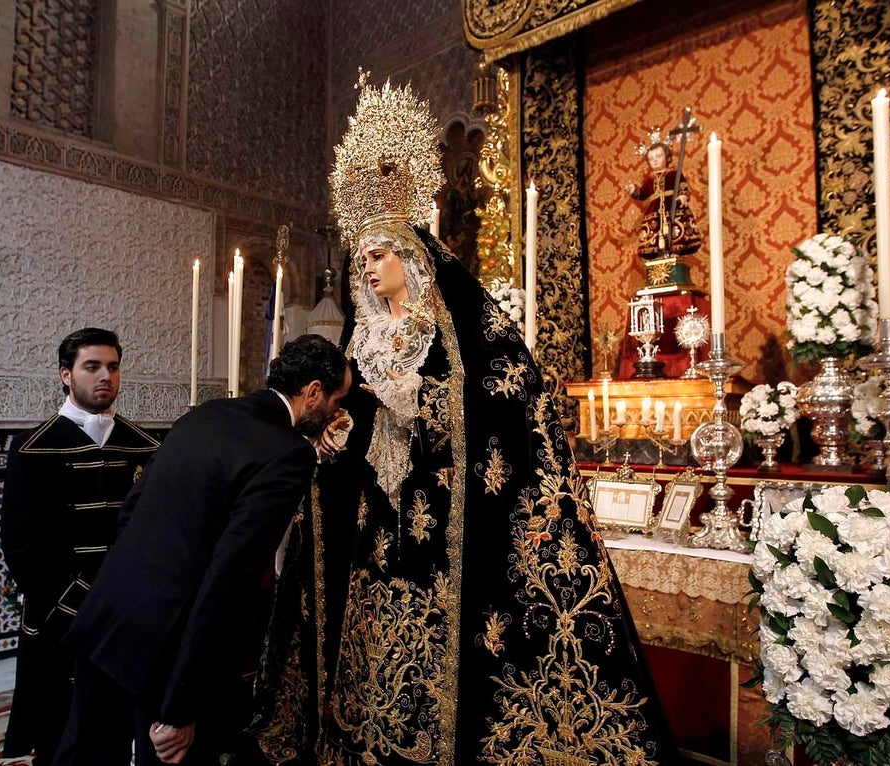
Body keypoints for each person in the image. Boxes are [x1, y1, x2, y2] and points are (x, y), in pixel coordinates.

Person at [253, 75, 677, 765]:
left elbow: (502, 401)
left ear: (413, 261)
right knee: (368, 648)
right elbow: (349, 419)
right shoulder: (356, 343)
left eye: (381, 252)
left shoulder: (457, 337)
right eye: (363, 255)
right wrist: (337, 435)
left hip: (441, 520)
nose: (368, 262)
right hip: (373, 526)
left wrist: (421, 410)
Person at [55, 334, 352, 766]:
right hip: (167, 649)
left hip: (108, 615)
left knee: (83, 754)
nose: (337, 414)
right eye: (337, 401)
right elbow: (229, 579)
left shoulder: (207, 414)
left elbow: (132, 510)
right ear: (312, 393)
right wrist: (180, 706)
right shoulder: (288, 454)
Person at [0, 327, 160, 766]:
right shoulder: (32, 447)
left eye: (112, 366)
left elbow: (153, 537)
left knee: (117, 731)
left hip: (127, 615)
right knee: (60, 736)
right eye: (91, 367)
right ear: (66, 376)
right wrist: (81, 606)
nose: (105, 375)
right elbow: (20, 546)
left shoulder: (145, 445)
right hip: (61, 618)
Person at [626, 138, 702, 259]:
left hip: (673, 206)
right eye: (651, 159)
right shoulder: (649, 180)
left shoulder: (674, 174)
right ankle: (661, 254)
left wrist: (683, 195)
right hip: (655, 211)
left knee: (675, 229)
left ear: (667, 157)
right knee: (655, 232)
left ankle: (675, 251)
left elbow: (682, 185)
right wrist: (634, 190)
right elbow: (643, 194)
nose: (655, 160)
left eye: (658, 156)